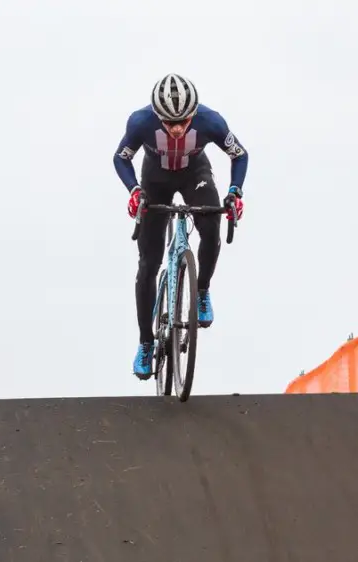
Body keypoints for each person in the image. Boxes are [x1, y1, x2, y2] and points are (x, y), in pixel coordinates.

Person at [113, 73, 248, 379]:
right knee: (148, 264)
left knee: (212, 225)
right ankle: (146, 343)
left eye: (183, 122)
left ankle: (201, 290)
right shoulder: (139, 123)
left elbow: (240, 154)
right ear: (157, 116)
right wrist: (134, 190)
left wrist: (235, 192)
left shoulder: (211, 122)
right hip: (154, 180)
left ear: (194, 114)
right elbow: (121, 158)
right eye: (168, 123)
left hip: (194, 174)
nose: (176, 129)